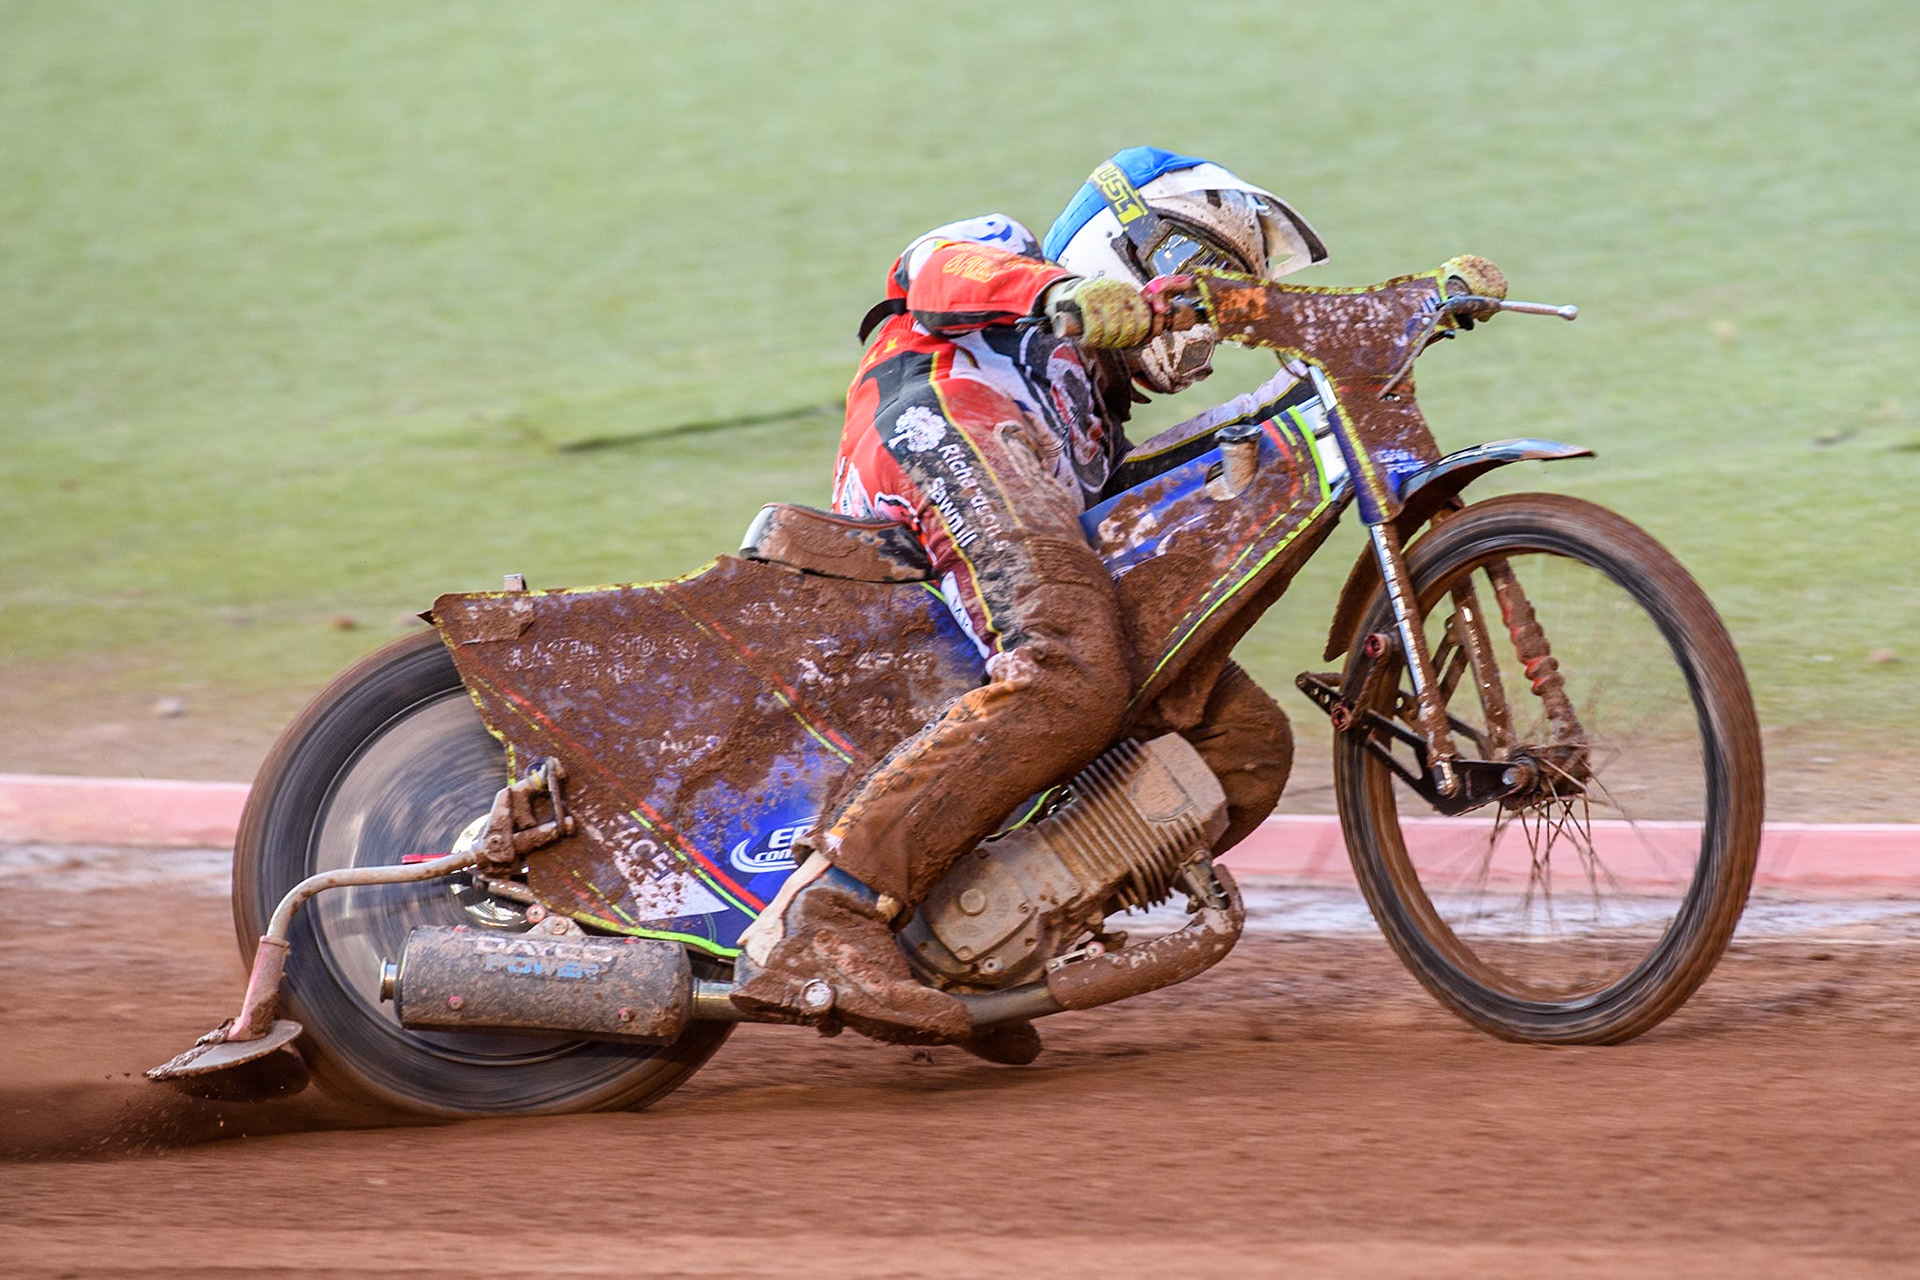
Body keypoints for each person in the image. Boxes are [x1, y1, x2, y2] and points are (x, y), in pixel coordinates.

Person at [733, 147, 1330, 1056]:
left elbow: (1140, 500)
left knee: (1238, 740)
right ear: (1120, 242)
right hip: (939, 420)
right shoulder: (1005, 261)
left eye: (1221, 290)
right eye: (1192, 270)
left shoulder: (1096, 421)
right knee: (1074, 665)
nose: (1197, 309)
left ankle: (971, 951)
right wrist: (1057, 294)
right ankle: (831, 914)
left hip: (1011, 513)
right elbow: (927, 270)